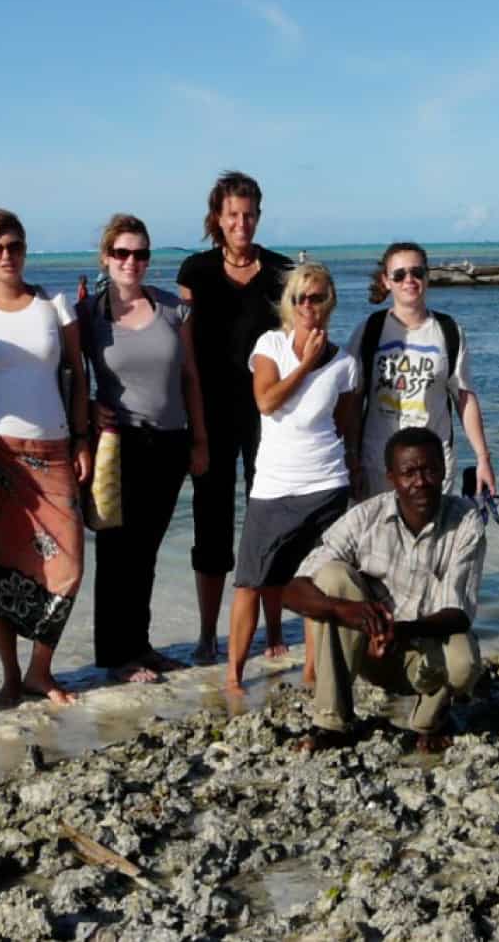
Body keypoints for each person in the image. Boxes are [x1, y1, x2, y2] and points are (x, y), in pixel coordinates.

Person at [0, 209, 92, 705]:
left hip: (51, 450)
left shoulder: (54, 305)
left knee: (67, 567)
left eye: (15, 246)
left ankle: (39, 671)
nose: (7, 256)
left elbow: (78, 372)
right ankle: (10, 675)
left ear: (25, 249)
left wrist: (82, 438)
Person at [286, 427, 487, 754]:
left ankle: (430, 721)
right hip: (368, 651)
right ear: (391, 477)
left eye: (430, 470)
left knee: (464, 661)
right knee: (333, 576)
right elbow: (293, 590)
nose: (420, 481)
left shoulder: (465, 521)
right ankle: (332, 724)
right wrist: (346, 611)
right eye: (409, 473)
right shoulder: (365, 517)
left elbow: (458, 614)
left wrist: (401, 632)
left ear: (443, 470)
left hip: (422, 649)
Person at [78, 213, 208, 683]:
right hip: (118, 443)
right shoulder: (89, 314)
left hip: (170, 442)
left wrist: (200, 440)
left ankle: (141, 645)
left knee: (148, 549)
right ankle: (116, 656)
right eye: (122, 253)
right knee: (116, 551)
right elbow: (68, 373)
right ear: (106, 258)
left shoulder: (174, 308)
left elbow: (190, 376)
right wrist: (89, 408)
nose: (131, 261)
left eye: (140, 253)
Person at [225, 261, 359, 694]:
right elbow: (266, 401)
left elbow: (345, 429)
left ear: (329, 302)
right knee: (250, 581)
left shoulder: (345, 364)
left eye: (316, 297)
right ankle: (233, 678)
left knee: (318, 584)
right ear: (289, 303)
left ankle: (311, 675)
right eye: (299, 297)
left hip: (326, 485)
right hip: (273, 487)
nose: (307, 306)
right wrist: (305, 365)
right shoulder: (271, 345)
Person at [176, 171, 294, 664]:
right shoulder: (196, 272)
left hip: (270, 415)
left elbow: (298, 341)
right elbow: (182, 355)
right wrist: (196, 431)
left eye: (249, 214)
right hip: (211, 411)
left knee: (267, 519)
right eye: (232, 215)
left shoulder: (282, 271)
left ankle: (271, 631)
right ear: (217, 220)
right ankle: (208, 635)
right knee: (211, 521)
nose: (241, 223)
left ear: (258, 216)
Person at [345, 241, 497, 501]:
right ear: (386, 280)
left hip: (433, 465)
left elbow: (464, 398)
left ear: (427, 276)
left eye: (417, 272)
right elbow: (353, 401)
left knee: (432, 539)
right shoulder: (369, 330)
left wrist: (483, 458)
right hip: (378, 463)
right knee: (381, 540)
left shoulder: (448, 331)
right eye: (400, 274)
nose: (410, 280)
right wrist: (351, 460)